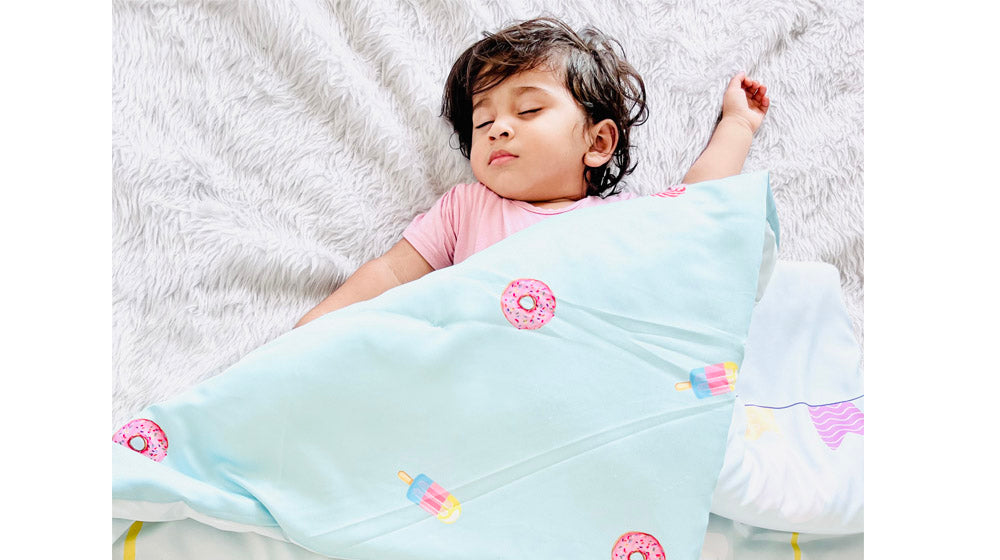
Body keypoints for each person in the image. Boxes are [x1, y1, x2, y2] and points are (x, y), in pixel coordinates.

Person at [294, 16, 768, 328]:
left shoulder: (621, 219)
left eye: (528, 110)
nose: (499, 128)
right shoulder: (466, 208)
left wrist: (737, 124)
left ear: (597, 143)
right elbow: (393, 271)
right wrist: (314, 329)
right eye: (483, 122)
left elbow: (699, 206)